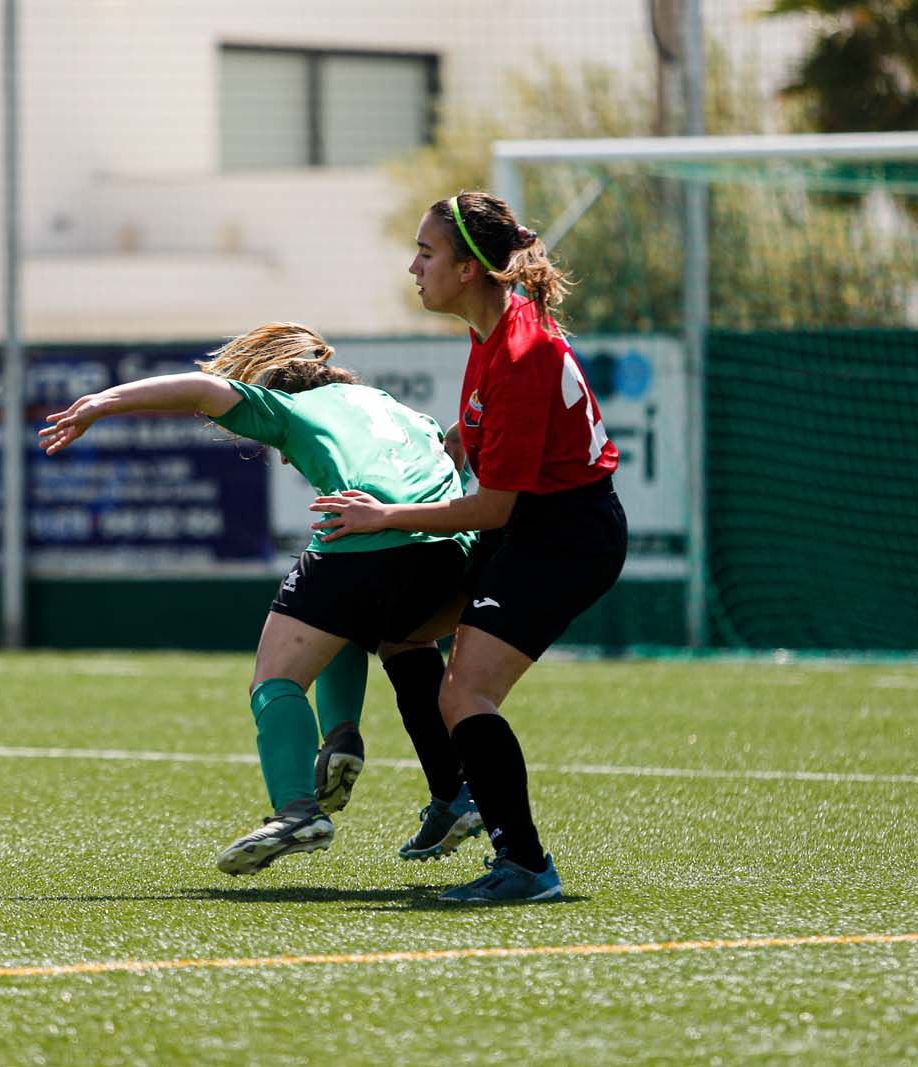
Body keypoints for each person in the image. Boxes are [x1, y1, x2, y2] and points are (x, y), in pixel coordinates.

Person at [38, 323, 482, 875]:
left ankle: (297, 810)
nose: (287, 460)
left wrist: (103, 403)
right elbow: (457, 441)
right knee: (396, 641)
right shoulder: (395, 408)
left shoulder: (289, 408)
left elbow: (200, 391)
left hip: (372, 538)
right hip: (454, 549)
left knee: (276, 677)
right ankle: (448, 792)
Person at [310, 190, 628, 903]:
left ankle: (524, 864)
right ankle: (457, 797)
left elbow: (490, 504)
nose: (413, 266)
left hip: (565, 537)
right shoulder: (496, 326)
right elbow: (496, 438)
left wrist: (383, 515)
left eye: (427, 252)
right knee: (401, 635)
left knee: (467, 691)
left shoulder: (518, 348)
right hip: (532, 526)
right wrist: (459, 437)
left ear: (468, 269)